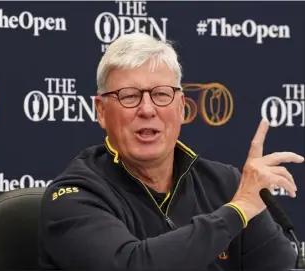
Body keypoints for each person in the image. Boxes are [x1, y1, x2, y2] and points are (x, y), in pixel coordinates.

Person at [38, 33, 304, 271]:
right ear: (101, 111)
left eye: (161, 94)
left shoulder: (226, 184)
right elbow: (131, 264)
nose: (147, 109)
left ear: (180, 107)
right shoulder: (75, 195)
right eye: (129, 96)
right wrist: (237, 211)